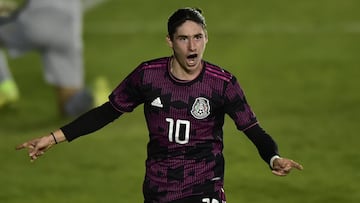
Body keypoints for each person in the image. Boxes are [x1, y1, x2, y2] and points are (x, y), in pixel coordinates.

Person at [16, 8, 303, 203]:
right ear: (170, 41)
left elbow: (252, 129)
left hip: (205, 185)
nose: (193, 47)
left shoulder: (222, 83)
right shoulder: (147, 76)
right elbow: (107, 112)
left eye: (198, 37)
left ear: (206, 38)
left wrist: (273, 158)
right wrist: (55, 137)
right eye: (184, 38)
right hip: (158, 189)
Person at [0, 0, 93, 116]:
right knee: (69, 101)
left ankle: (3, 86)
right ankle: (99, 102)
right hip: (68, 27)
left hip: (35, 22)